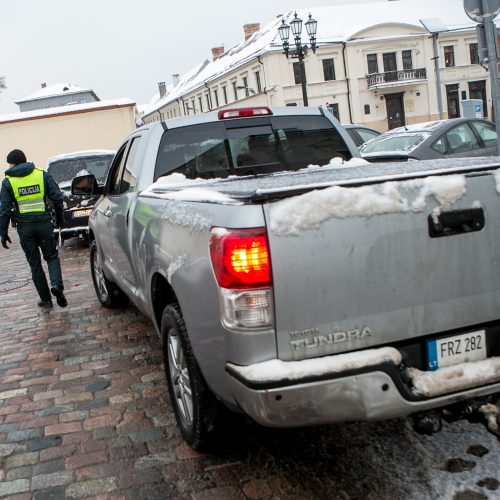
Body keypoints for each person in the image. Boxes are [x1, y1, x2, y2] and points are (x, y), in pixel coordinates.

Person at [0, 149, 67, 308]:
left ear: (12, 164)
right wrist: (60, 219)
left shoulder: (8, 182)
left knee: (35, 263)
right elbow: (57, 197)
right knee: (51, 257)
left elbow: (4, 210)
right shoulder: (40, 174)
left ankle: (45, 299)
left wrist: (3, 232)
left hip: (25, 229)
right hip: (44, 224)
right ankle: (56, 286)